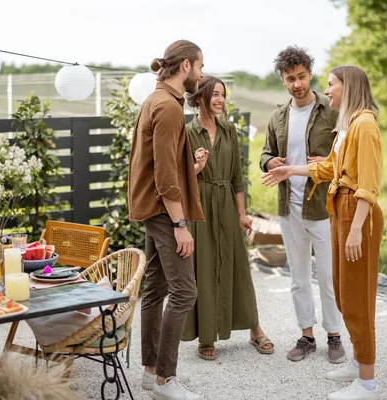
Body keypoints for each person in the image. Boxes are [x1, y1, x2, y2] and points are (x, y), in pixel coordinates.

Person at [262, 65, 383, 400]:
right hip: (340, 209)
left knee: (357, 299)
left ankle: (368, 383)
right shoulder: (348, 126)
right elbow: (328, 166)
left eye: (332, 85)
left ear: (350, 87)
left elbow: (369, 186)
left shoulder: (365, 125)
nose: (327, 90)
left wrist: (356, 229)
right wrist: (290, 169)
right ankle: (359, 364)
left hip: (356, 215)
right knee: (345, 296)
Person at [128, 39, 206, 400]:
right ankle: (164, 381)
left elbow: (164, 165)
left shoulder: (156, 100)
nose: (202, 75)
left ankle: (149, 372)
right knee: (184, 291)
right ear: (186, 66)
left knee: (155, 288)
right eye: (200, 67)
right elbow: (162, 175)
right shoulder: (169, 107)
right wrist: (180, 225)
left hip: (153, 207)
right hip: (162, 212)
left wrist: (192, 169)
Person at [260, 46, 345, 364]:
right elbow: (265, 154)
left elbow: (346, 156)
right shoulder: (278, 116)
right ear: (282, 80)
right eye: (289, 78)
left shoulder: (332, 111)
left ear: (310, 74)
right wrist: (270, 162)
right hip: (288, 208)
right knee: (298, 277)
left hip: (323, 208)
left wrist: (329, 161)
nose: (296, 83)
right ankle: (306, 336)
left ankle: (334, 337)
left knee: (327, 276)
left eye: (301, 76)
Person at [181, 76, 274, 360]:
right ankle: (206, 337)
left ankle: (255, 329)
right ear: (199, 98)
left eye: (223, 94)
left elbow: (237, 177)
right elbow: (180, 179)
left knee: (238, 267)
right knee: (205, 269)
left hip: (227, 207)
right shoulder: (186, 132)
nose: (220, 100)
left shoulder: (229, 129)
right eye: (214, 94)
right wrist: (197, 167)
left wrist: (242, 214)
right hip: (199, 206)